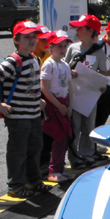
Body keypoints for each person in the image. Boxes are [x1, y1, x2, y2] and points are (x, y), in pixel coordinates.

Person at [0, 20, 46, 199]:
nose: (32, 40)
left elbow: (32, 85)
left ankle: (33, 179)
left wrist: (39, 100)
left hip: (34, 114)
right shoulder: (14, 61)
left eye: (34, 37)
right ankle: (15, 184)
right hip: (18, 116)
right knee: (18, 150)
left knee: (35, 148)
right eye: (27, 37)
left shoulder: (35, 58)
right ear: (16, 40)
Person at [66, 14, 108, 166]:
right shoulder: (72, 48)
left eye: (80, 28)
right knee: (74, 127)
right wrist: (69, 72)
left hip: (90, 96)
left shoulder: (99, 52)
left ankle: (87, 154)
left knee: (89, 126)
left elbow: (103, 73)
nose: (77, 30)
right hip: (74, 94)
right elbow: (64, 68)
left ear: (90, 31)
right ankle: (74, 157)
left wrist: (102, 84)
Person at [40, 30, 74, 183]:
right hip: (54, 103)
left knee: (65, 136)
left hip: (64, 102)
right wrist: (59, 106)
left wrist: (70, 105)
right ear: (50, 47)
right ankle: (53, 169)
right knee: (58, 136)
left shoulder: (65, 65)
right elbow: (44, 88)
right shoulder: (49, 64)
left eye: (64, 46)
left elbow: (69, 87)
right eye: (59, 46)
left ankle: (59, 168)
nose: (62, 49)